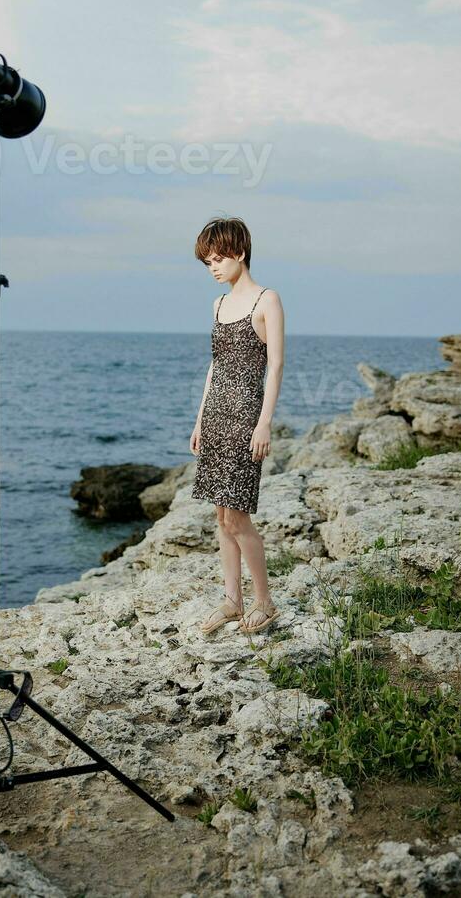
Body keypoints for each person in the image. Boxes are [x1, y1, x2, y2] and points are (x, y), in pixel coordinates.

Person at [189, 216, 284, 636]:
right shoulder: (218, 305)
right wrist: (199, 420)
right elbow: (215, 366)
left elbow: (277, 365)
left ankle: (264, 601)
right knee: (220, 517)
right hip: (215, 419)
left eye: (218, 258)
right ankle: (232, 600)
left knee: (238, 517)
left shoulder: (268, 300)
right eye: (207, 261)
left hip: (246, 417)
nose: (212, 267)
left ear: (240, 253)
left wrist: (265, 423)